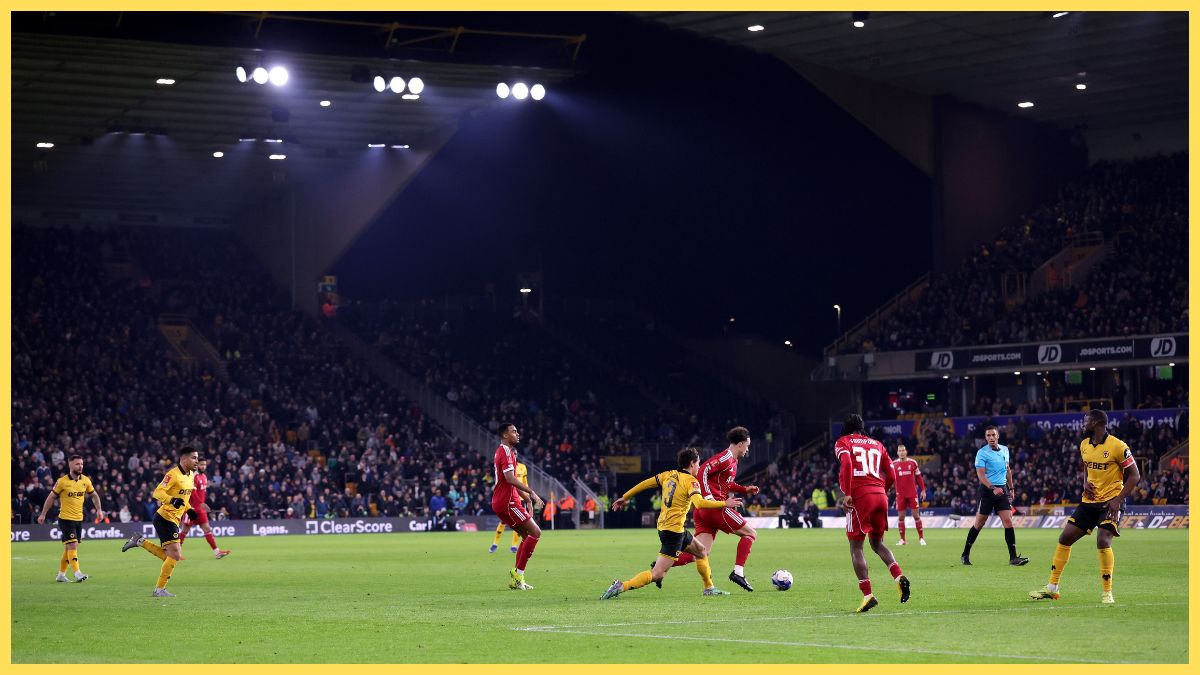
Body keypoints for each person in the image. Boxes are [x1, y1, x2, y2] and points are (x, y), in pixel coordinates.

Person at [600, 447, 743, 599]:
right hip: (673, 532)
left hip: (669, 527)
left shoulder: (668, 475)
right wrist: (723, 503)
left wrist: (625, 496)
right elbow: (700, 503)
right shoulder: (691, 481)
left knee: (701, 551)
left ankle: (709, 588)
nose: (699, 467)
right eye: (698, 463)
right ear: (692, 463)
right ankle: (621, 586)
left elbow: (645, 484)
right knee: (657, 574)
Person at [1030, 409, 1141, 604]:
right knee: (1065, 537)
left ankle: (1107, 592)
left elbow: (1135, 475)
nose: (1083, 424)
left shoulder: (1118, 446)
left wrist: (1118, 500)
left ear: (1097, 423)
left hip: (1110, 503)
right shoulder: (1084, 445)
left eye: (1086, 421)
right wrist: (1084, 483)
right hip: (1089, 501)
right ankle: (1052, 588)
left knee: (1103, 540)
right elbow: (1086, 466)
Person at [669, 426, 761, 591]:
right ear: (740, 444)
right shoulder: (725, 457)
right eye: (747, 445)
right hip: (715, 508)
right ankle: (738, 572)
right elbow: (703, 470)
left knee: (701, 551)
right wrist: (708, 497)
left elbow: (725, 484)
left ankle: (664, 563)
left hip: (704, 512)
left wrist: (744, 489)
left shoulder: (733, 461)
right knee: (750, 534)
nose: (748, 449)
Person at [835, 414, 910, 613]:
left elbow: (848, 464)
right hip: (880, 496)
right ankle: (899, 576)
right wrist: (882, 491)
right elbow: (892, 474)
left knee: (856, 547)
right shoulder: (877, 444)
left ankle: (868, 595)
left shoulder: (843, 442)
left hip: (860, 497)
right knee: (877, 543)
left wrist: (849, 494)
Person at [121, 446, 198, 597]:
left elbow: (183, 498)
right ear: (184, 459)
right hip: (165, 517)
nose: (197, 461)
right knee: (175, 555)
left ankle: (140, 541)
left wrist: (188, 509)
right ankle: (159, 590)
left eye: (197, 458)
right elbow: (157, 492)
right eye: (194, 458)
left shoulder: (191, 475)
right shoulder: (173, 474)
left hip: (174, 519)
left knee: (169, 556)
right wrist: (171, 500)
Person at [961, 425, 1029, 566]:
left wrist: (1011, 488)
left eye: (993, 435)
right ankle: (965, 553)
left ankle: (1013, 558)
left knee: (1008, 521)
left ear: (998, 436)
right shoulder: (982, 453)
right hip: (987, 490)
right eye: (988, 436)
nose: (991, 438)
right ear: (986, 438)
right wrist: (992, 488)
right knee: (979, 523)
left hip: (1002, 490)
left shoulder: (1005, 450)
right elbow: (980, 474)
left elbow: (1008, 469)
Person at [491, 424, 544, 590]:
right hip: (508, 502)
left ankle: (517, 579)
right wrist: (532, 493)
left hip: (504, 501)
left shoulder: (507, 452)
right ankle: (518, 573)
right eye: (514, 431)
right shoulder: (505, 451)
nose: (518, 434)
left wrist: (526, 499)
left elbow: (510, 483)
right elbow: (510, 479)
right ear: (505, 435)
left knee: (526, 535)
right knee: (535, 532)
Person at [37, 454, 103, 583]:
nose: (80, 466)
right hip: (66, 519)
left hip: (78, 519)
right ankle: (78, 573)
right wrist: (43, 513)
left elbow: (94, 495)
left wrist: (99, 510)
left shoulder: (85, 481)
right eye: (78, 464)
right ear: (70, 465)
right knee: (72, 545)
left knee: (69, 548)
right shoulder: (62, 482)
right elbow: (51, 497)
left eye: (82, 464)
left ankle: (61, 575)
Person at [179, 458, 231, 560]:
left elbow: (202, 493)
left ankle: (217, 552)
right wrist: (201, 503)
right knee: (184, 531)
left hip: (200, 509)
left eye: (205, 465)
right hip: (192, 509)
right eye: (201, 464)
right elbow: (192, 493)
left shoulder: (204, 477)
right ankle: (176, 553)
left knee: (207, 529)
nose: (203, 466)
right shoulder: (193, 477)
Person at [490, 460, 530, 553]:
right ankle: (495, 544)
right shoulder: (506, 467)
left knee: (519, 522)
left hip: (520, 498)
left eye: (515, 454)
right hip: (508, 497)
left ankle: (514, 546)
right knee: (503, 521)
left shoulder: (522, 467)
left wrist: (527, 496)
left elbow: (525, 483)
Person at [892, 443, 927, 546]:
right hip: (900, 495)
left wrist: (923, 490)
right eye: (900, 451)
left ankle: (921, 538)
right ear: (897, 453)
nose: (902, 452)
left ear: (906, 451)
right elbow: (890, 478)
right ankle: (902, 540)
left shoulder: (913, 463)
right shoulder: (893, 464)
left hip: (912, 494)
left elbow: (919, 477)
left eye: (903, 450)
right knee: (901, 517)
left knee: (916, 515)